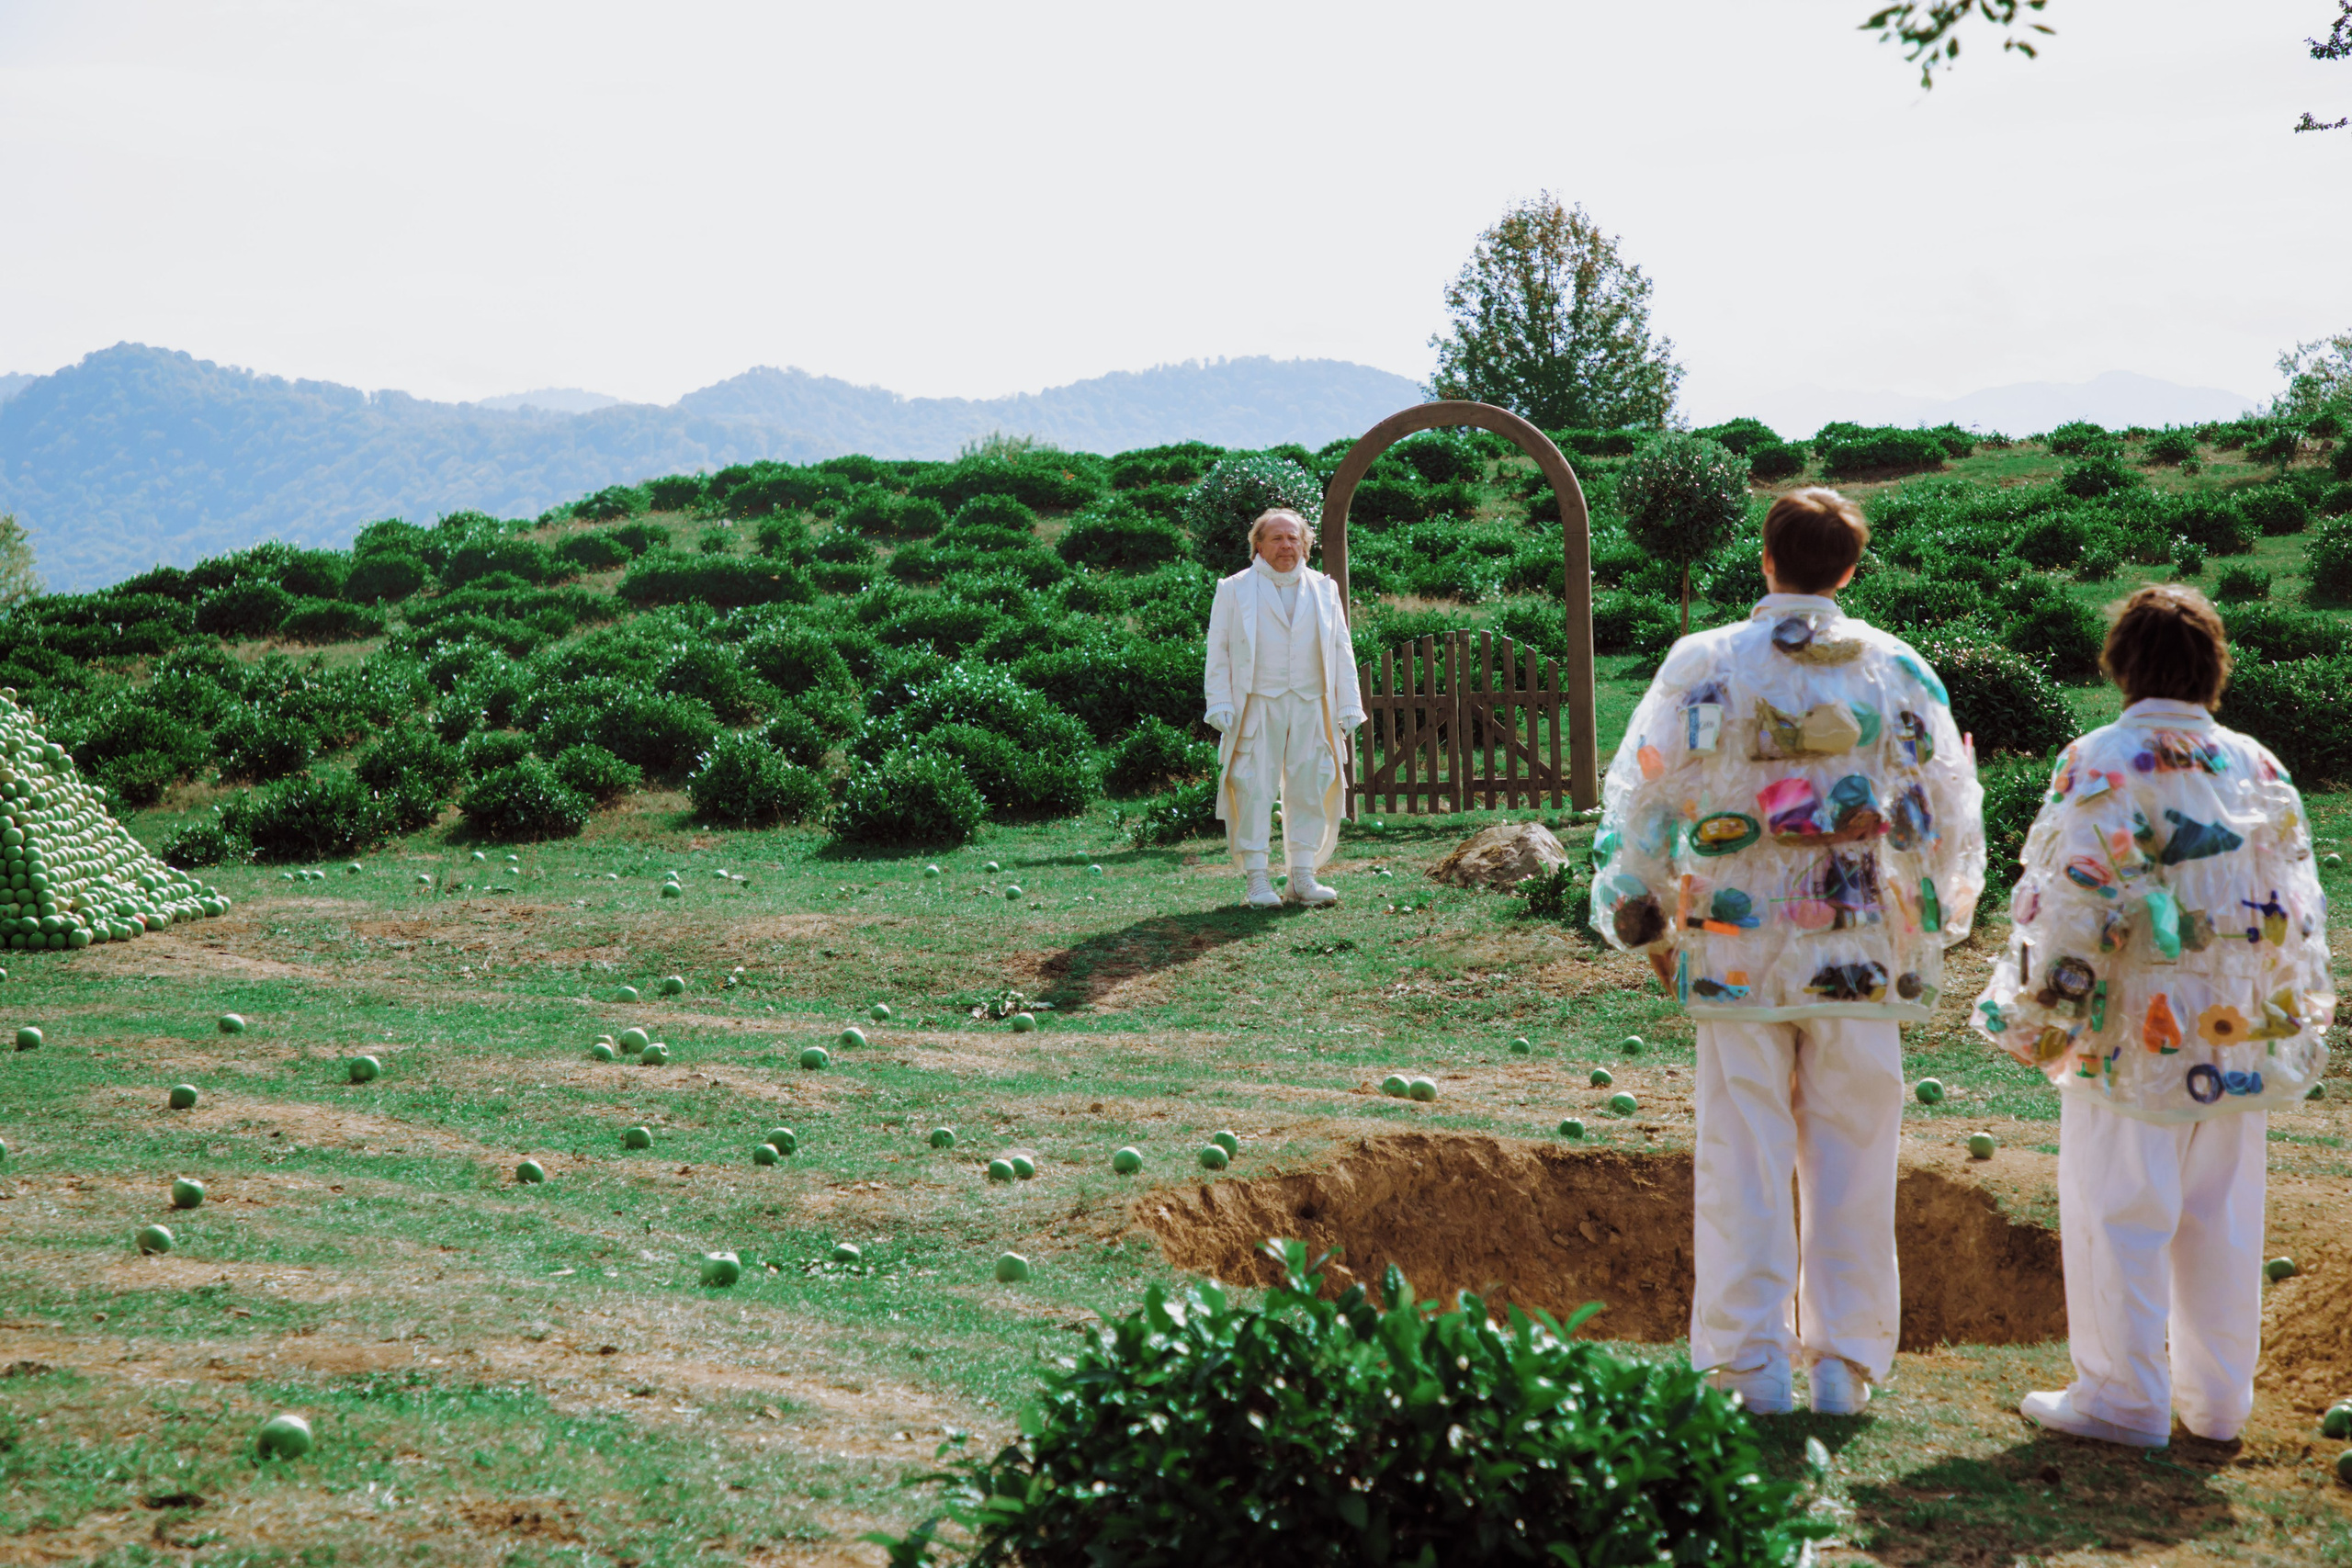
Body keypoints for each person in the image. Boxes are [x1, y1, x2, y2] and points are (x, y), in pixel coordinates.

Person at [1590, 486, 1985, 1416]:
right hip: (1865, 949)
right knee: (1855, 1150)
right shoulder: (1895, 667)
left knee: (1743, 1154)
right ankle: (1844, 1366)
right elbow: (1949, 808)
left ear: (1766, 558)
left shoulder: (1704, 660)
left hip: (1735, 951)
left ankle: (1749, 1367)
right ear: (1848, 568)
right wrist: (1939, 921)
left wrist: (1639, 916)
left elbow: (1642, 797)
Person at [1972, 584, 2331, 1449]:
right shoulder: (2258, 763)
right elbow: (2300, 902)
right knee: (2224, 1218)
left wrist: (2034, 1017)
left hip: (2129, 1032)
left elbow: (2068, 905)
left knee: (2118, 1210)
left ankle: (2122, 1395)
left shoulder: (2101, 758)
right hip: (2241, 1028)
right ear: (2214, 666)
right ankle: (2217, 1403)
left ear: (2122, 663)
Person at [1203, 508, 1366, 908]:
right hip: (1257, 703)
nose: (1286, 546)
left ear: (1305, 543)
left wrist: (1348, 702)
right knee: (1254, 787)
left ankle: (1302, 877)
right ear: (1258, 544)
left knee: (1310, 785)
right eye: (1276, 538)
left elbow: (1341, 649)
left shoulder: (1324, 588)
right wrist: (1220, 700)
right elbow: (1219, 649)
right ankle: (1257, 880)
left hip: (1312, 703)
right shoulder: (1234, 588)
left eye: (1293, 538)